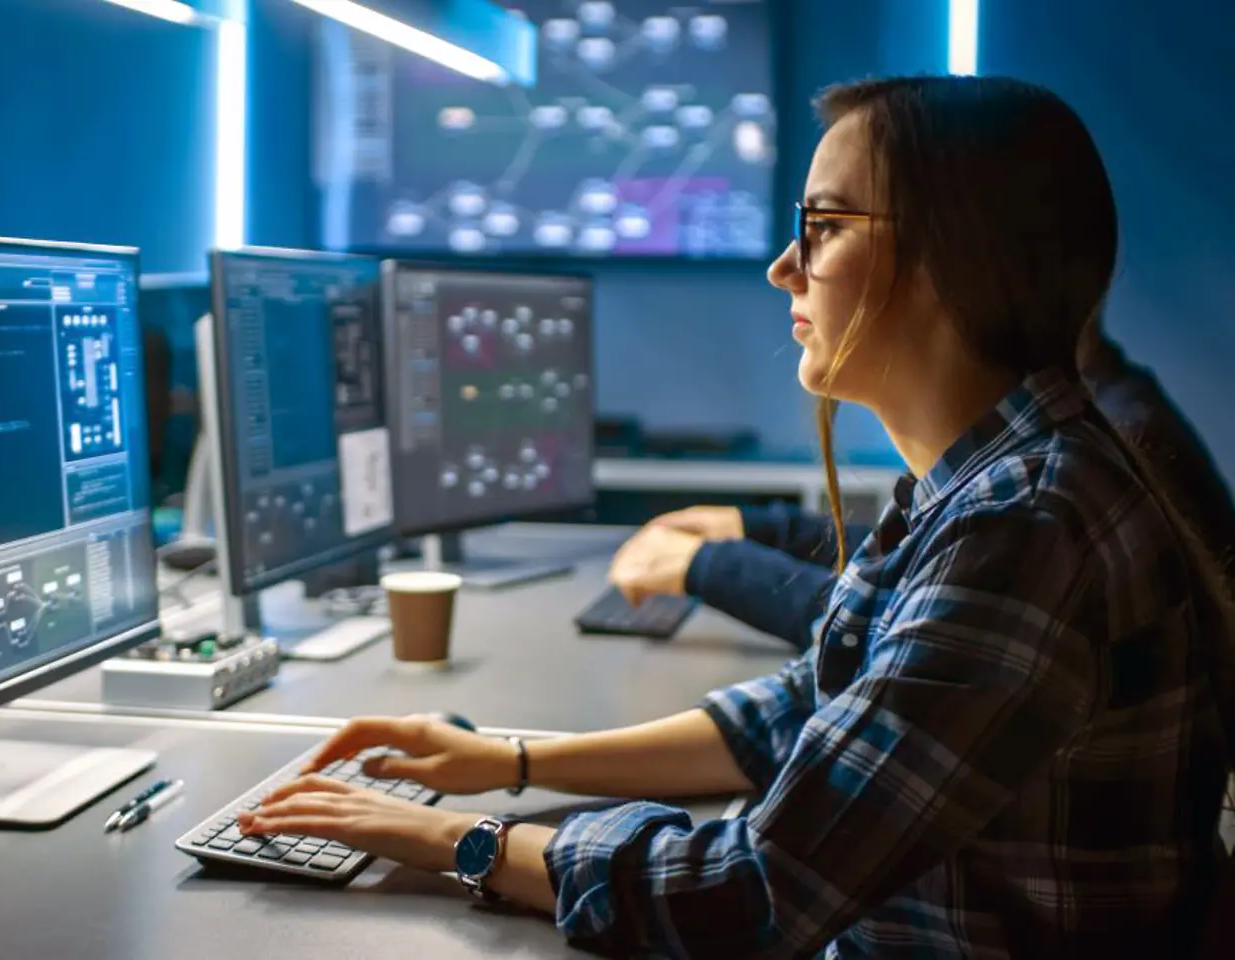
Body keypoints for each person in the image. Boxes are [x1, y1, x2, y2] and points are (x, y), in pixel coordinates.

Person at [238, 76, 1235, 956]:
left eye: (825, 224)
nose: (783, 267)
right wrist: (510, 761)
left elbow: (750, 895)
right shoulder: (981, 482)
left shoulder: (1026, 525)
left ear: (953, 260)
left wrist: (457, 841)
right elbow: (804, 709)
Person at [607, 314, 1235, 651]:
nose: (788, 270)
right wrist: (760, 528)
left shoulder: (1055, 481)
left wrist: (709, 567)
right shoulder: (1086, 411)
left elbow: (893, 627)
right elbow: (920, 567)